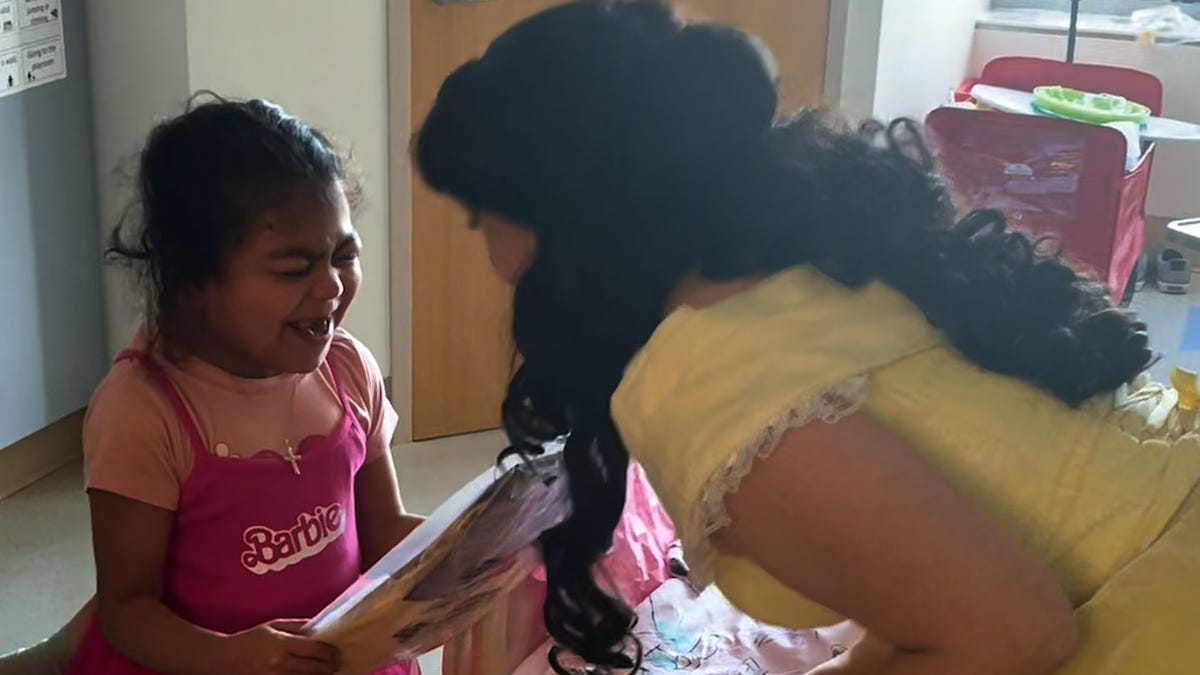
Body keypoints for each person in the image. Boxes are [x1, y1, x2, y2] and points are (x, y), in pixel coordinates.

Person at [413, 1, 1200, 673]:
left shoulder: (703, 379)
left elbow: (1014, 635)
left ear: (565, 220)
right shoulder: (812, 245)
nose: (489, 256)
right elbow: (922, 557)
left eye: (482, 216)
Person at [60, 94, 421, 675]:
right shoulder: (143, 409)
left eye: (344, 255)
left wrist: (481, 551)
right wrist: (228, 658)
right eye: (293, 268)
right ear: (192, 281)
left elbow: (385, 534)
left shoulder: (348, 370)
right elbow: (126, 610)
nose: (331, 287)